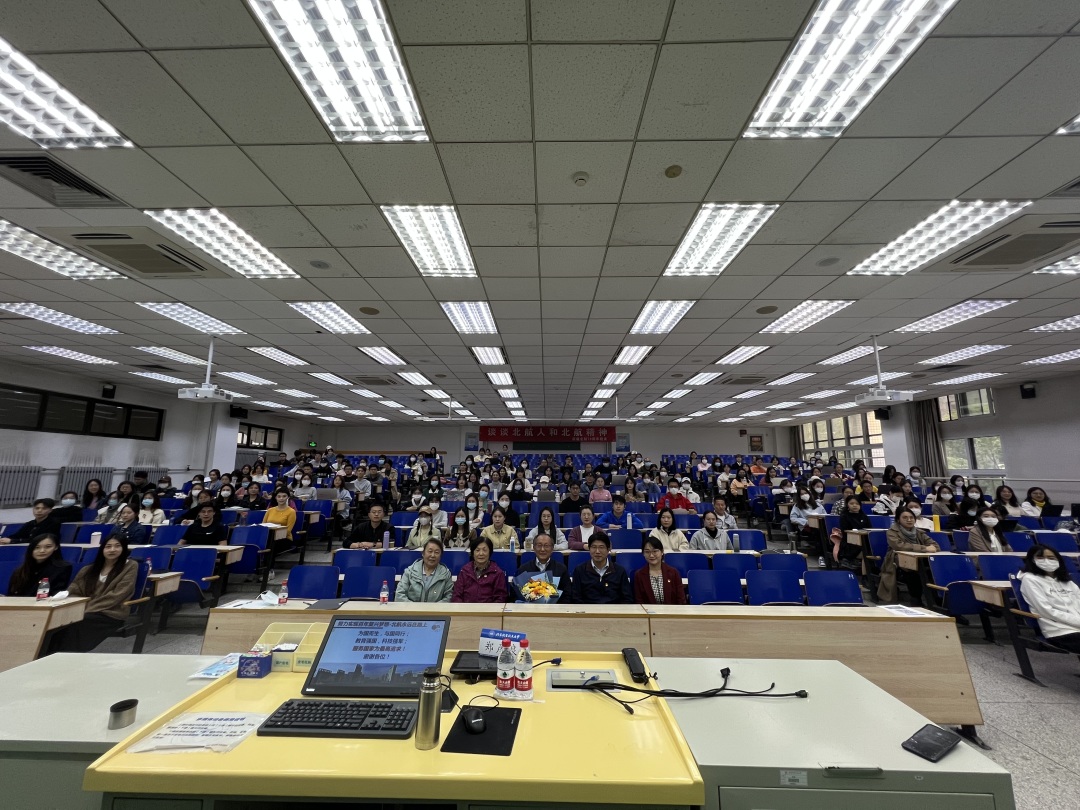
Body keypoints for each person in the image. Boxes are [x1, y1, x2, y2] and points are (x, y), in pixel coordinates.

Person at [49, 535, 139, 652]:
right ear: (102, 549)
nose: (112, 550)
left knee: (77, 624)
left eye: (117, 546)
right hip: (86, 610)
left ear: (124, 549)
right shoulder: (89, 569)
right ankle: (46, 654)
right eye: (108, 546)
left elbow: (118, 594)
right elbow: (75, 590)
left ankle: (65, 654)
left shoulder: (130, 566)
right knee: (57, 622)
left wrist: (87, 609)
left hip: (111, 613)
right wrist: (77, 609)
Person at [1019, 544, 1080, 652]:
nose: (1046, 561)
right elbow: (1046, 611)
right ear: (1032, 560)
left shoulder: (1067, 581)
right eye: (1040, 557)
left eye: (1051, 558)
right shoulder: (1030, 579)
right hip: (1059, 631)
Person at [876, 507, 940, 605]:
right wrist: (924, 548)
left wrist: (930, 548)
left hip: (920, 560)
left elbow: (935, 546)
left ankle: (937, 600)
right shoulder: (892, 532)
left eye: (911, 517)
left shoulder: (919, 532)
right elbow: (899, 546)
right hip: (897, 562)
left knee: (932, 570)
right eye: (905, 517)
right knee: (913, 572)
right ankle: (916, 599)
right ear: (898, 520)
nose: (909, 520)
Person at [570, 534, 632, 604]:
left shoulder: (619, 571)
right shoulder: (580, 570)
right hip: (587, 609)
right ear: (589, 549)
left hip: (613, 609)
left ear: (608, 549)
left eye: (601, 547)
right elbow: (576, 598)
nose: (597, 551)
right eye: (594, 547)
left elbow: (627, 598)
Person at [513, 533, 570, 602]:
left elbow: (567, 595)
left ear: (552, 549)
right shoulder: (523, 569)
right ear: (534, 548)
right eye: (539, 545)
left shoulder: (561, 569)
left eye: (546, 546)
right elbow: (516, 595)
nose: (542, 549)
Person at [395, 538, 453, 603]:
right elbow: (399, 595)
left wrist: (434, 608)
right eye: (430, 551)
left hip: (437, 609)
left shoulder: (446, 574)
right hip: (411, 609)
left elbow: (449, 597)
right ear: (423, 553)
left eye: (436, 552)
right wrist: (415, 608)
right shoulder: (410, 571)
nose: (433, 555)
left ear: (440, 556)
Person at [451, 536, 507, 603]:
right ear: (472, 553)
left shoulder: (497, 573)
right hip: (466, 608)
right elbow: (457, 595)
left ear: (490, 552)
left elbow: (500, 598)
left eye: (484, 550)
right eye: (477, 550)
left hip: (489, 609)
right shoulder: (464, 571)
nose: (481, 554)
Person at [635, 537, 687, 605]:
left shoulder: (673, 573)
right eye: (647, 552)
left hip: (672, 611)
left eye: (655, 551)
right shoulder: (639, 575)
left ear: (662, 552)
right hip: (648, 611)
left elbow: (681, 600)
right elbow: (639, 602)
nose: (651, 555)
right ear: (643, 554)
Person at [790, 486, 827, 563]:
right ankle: (822, 556)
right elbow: (793, 518)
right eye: (802, 494)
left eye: (805, 493)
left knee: (826, 532)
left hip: (820, 525)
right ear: (799, 496)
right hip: (806, 527)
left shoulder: (818, 504)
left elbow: (825, 515)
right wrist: (806, 521)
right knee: (819, 533)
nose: (804, 495)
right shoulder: (797, 506)